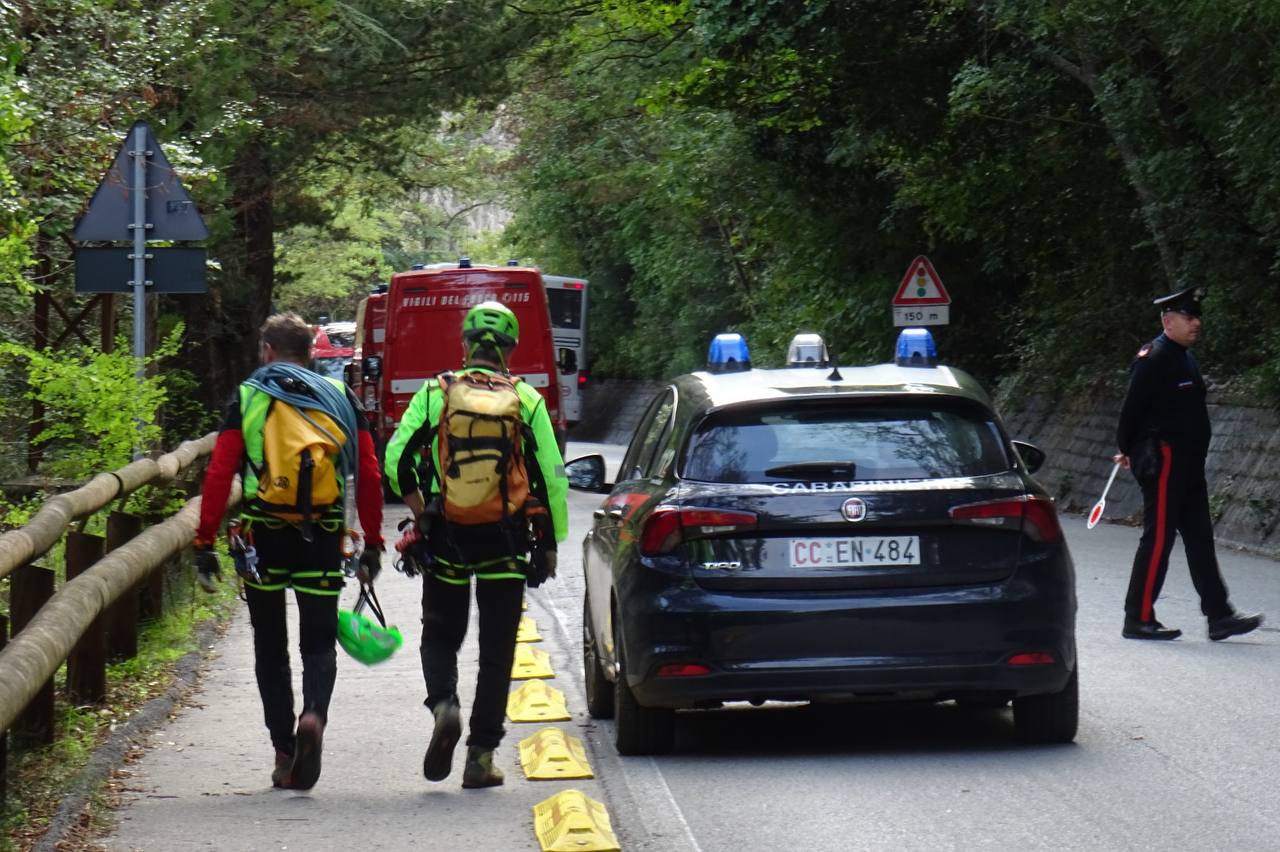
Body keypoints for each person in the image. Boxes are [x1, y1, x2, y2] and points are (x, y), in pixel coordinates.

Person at [192, 312, 385, 789]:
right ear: (312, 353)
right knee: (318, 641)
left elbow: (220, 472)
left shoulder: (250, 395)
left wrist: (204, 539)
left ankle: (284, 750)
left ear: (267, 351)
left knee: (270, 646)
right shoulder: (341, 398)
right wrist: (374, 541)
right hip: (322, 536)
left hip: (264, 537)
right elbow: (369, 473)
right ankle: (314, 715)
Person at [383, 301, 567, 789]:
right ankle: (481, 758)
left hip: (449, 535)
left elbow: (397, 457)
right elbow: (550, 476)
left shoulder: (436, 391)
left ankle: (445, 705)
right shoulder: (524, 398)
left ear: (464, 344)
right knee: (497, 650)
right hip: (506, 538)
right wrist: (548, 543)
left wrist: (423, 512)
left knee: (441, 633)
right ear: (510, 349)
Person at [1114, 285, 1263, 641]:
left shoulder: (1183, 356)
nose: (1196, 323)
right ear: (1168, 321)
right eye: (1188, 317)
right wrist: (1128, 449)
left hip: (1189, 464)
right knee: (1159, 539)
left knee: (1199, 539)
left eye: (1197, 317)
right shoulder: (1154, 358)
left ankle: (1220, 615)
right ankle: (1138, 617)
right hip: (1165, 461)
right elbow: (1130, 411)